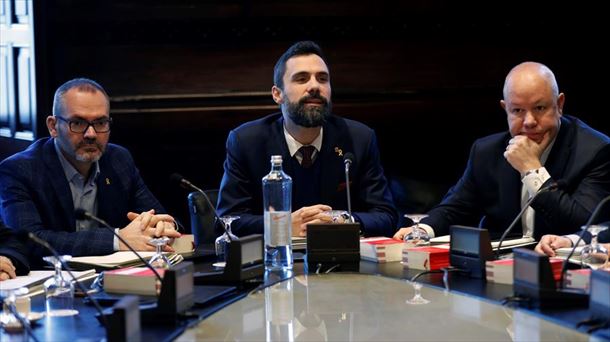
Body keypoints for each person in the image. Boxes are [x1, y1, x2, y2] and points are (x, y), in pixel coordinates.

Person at [393, 61, 610, 242]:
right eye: (517, 111)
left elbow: (585, 223)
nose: (529, 121)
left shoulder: (595, 151)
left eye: (540, 108)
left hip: (562, 269)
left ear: (559, 104)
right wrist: (421, 231)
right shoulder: (486, 151)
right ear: (505, 109)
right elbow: (455, 208)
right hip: (501, 264)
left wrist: (532, 170)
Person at [217, 41, 398, 237]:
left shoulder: (359, 138)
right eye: (302, 79)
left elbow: (386, 215)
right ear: (278, 94)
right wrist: (283, 225)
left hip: (340, 257)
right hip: (274, 259)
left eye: (322, 79)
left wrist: (344, 220)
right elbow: (227, 220)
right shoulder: (246, 141)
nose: (314, 86)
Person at [0, 78, 180, 262]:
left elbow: (155, 213)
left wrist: (163, 225)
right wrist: (117, 239)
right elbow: (28, 240)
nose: (91, 134)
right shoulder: (19, 170)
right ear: (53, 126)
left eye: (101, 123)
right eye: (78, 123)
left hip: (113, 279)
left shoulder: (118, 160)